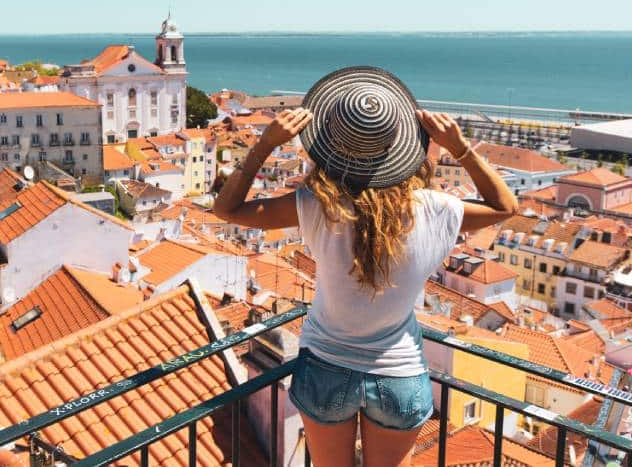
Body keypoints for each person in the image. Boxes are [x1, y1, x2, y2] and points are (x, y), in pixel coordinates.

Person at [212, 67, 518, 467]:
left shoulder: (316, 205)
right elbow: (505, 206)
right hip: (399, 372)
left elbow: (227, 208)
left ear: (331, 146)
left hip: (325, 367)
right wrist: (460, 148)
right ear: (403, 148)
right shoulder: (434, 209)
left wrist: (265, 144)